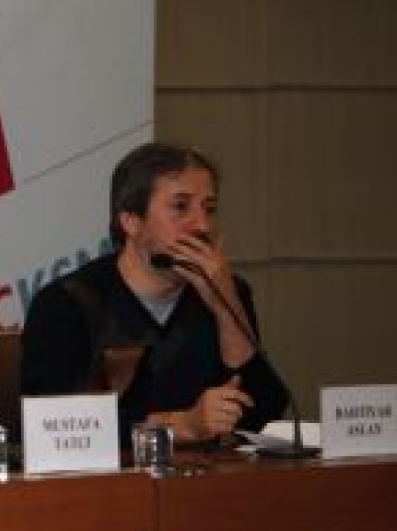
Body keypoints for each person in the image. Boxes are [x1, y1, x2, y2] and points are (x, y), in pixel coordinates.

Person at [21, 142, 288, 445]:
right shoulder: (66, 303)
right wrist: (180, 425)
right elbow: (51, 427)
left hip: (209, 473)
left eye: (209, 209)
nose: (202, 225)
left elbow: (265, 415)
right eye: (180, 207)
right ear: (131, 221)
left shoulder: (228, 290)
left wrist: (226, 308)